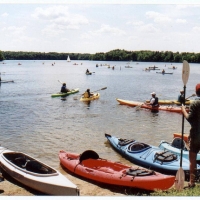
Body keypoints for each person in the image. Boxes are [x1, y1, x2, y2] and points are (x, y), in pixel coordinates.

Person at [181, 83, 200, 188]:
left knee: (192, 159)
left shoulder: (194, 103)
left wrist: (183, 110)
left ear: (196, 92)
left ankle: (192, 182)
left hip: (196, 135)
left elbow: (190, 119)